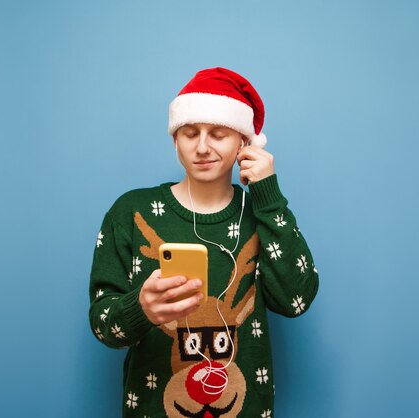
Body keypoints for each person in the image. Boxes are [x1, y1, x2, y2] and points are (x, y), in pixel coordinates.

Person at [89, 67, 319, 417]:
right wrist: (142, 309)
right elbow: (103, 325)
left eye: (218, 134)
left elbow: (295, 300)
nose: (202, 147)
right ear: (174, 140)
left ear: (243, 142)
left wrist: (268, 196)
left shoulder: (262, 213)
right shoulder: (131, 212)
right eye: (190, 133)